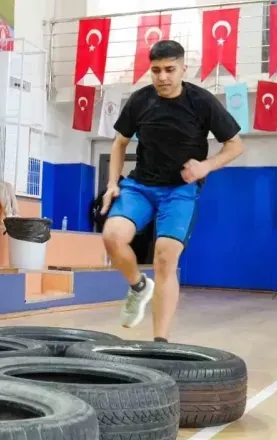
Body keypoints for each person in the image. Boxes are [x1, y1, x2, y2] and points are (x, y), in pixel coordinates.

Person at [100, 40, 244, 342]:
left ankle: (160, 343)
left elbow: (235, 145)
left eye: (169, 70)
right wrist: (113, 183)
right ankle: (139, 286)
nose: (162, 77)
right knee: (112, 236)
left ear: (182, 69)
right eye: (155, 71)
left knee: (165, 258)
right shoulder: (140, 100)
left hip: (180, 191)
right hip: (140, 186)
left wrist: (206, 166)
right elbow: (119, 143)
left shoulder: (201, 101)